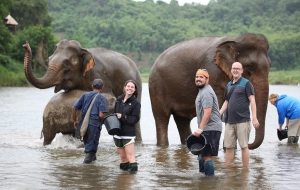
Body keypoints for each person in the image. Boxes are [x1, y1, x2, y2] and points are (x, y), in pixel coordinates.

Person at [219, 62, 260, 169]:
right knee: (228, 147)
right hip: (229, 121)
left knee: (243, 146)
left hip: (243, 121)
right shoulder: (229, 84)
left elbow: (252, 100)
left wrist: (254, 118)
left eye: (238, 68)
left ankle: (245, 170)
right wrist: (219, 114)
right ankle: (228, 169)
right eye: (234, 68)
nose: (235, 70)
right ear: (231, 70)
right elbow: (226, 102)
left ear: (242, 71)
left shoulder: (246, 83)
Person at [193, 69, 222, 176]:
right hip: (207, 128)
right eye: (197, 77)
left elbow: (207, 112)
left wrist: (200, 129)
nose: (198, 79)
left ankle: (209, 181)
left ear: (207, 79)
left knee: (206, 155)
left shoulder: (206, 92)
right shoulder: (202, 91)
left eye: (201, 77)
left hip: (211, 128)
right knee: (201, 154)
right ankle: (202, 178)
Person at [72, 79, 108, 164]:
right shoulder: (102, 98)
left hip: (84, 124)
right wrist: (105, 119)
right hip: (94, 125)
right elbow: (101, 115)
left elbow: (74, 108)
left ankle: (94, 166)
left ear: (92, 86)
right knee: (91, 150)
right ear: (102, 88)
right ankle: (86, 171)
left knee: (89, 145)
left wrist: (75, 120)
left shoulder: (85, 95)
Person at [113, 80, 141, 174]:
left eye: (132, 87)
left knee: (130, 157)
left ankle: (132, 181)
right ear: (125, 87)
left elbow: (135, 119)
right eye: (128, 86)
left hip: (128, 134)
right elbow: (114, 113)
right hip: (117, 133)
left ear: (135, 89)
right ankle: (123, 179)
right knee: (123, 158)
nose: (130, 88)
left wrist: (123, 117)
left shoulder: (135, 103)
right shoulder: (118, 99)